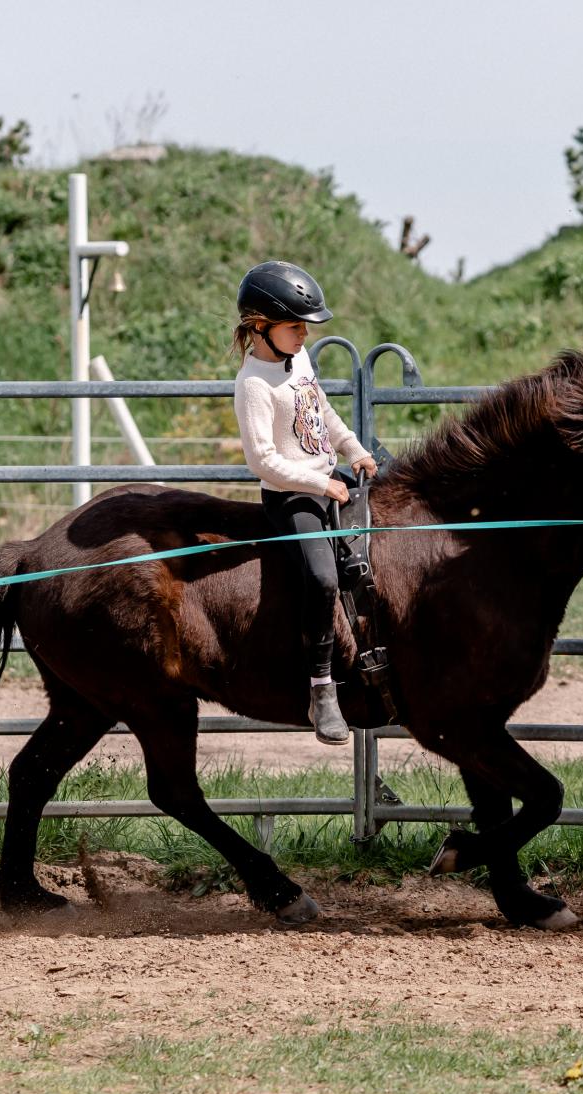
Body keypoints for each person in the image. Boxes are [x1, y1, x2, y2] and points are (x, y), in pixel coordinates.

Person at [231, 261, 377, 745]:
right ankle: (321, 689)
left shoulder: (299, 362)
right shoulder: (254, 385)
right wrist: (321, 487)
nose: (302, 336)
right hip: (292, 496)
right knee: (320, 576)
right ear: (260, 328)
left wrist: (353, 449)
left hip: (325, 479)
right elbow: (263, 461)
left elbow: (323, 411)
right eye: (295, 327)